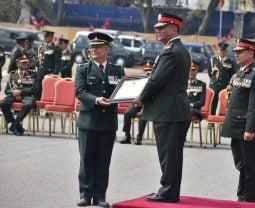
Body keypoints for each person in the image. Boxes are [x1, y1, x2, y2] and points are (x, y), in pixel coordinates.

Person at [134, 13, 191, 203]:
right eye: (156, 27)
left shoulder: (172, 51)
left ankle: (168, 191)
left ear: (174, 29)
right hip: (174, 110)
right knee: (172, 155)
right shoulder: (177, 49)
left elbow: (157, 80)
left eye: (162, 27)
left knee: (168, 155)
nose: (157, 30)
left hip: (169, 112)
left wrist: (141, 98)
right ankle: (170, 191)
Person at [74, 32, 123, 207]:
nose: (94, 49)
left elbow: (121, 92)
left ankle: (100, 196)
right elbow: (80, 92)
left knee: (103, 161)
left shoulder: (117, 70)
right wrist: (96, 100)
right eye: (92, 47)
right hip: (89, 121)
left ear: (107, 49)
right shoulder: (83, 69)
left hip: (108, 123)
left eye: (98, 47)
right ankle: (86, 194)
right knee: (86, 161)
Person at [220, 38, 255, 203]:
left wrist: (250, 129)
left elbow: (254, 105)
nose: (236, 55)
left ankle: (250, 200)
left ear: (250, 53)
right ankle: (242, 196)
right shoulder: (239, 72)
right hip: (235, 125)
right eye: (236, 52)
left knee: (250, 166)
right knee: (241, 164)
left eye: (240, 52)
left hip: (246, 127)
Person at [0, 54, 36, 136]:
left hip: (27, 96)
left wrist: (20, 92)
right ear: (17, 64)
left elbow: (34, 89)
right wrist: (14, 93)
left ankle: (14, 125)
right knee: (3, 103)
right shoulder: (12, 74)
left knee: (28, 104)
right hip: (14, 95)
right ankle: (15, 125)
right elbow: (7, 90)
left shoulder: (32, 74)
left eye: (26, 62)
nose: (25, 64)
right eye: (23, 63)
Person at [119, 60, 153, 145]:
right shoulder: (139, 79)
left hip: (149, 104)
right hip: (138, 102)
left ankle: (139, 137)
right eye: (145, 70)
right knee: (127, 113)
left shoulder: (154, 80)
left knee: (142, 115)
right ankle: (127, 136)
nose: (147, 72)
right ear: (142, 70)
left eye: (149, 70)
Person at [208, 42, 236, 115]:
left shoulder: (230, 62)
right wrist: (214, 81)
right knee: (212, 105)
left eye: (223, 51)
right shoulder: (213, 60)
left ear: (226, 51)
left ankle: (221, 123)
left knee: (223, 105)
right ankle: (211, 123)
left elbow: (232, 74)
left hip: (224, 87)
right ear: (218, 51)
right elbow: (210, 72)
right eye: (220, 50)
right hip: (214, 86)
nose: (222, 52)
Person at [36, 30, 61, 100]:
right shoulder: (42, 47)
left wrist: (53, 75)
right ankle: (36, 110)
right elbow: (38, 61)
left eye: (46, 36)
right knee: (37, 93)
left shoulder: (55, 48)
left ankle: (48, 111)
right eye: (44, 36)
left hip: (49, 75)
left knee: (48, 94)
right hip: (40, 74)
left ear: (51, 37)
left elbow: (57, 64)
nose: (45, 38)